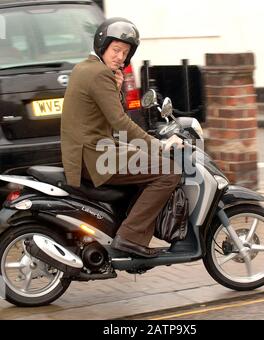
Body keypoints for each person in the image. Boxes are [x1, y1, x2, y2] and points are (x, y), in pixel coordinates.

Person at [61, 17, 183, 258]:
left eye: (125, 53)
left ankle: (124, 227)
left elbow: (109, 118)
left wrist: (117, 89)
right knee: (169, 171)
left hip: (85, 153)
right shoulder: (98, 74)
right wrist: (158, 145)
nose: (120, 57)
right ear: (102, 45)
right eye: (116, 49)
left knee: (147, 159)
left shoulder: (84, 68)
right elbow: (120, 122)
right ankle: (130, 238)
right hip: (95, 156)